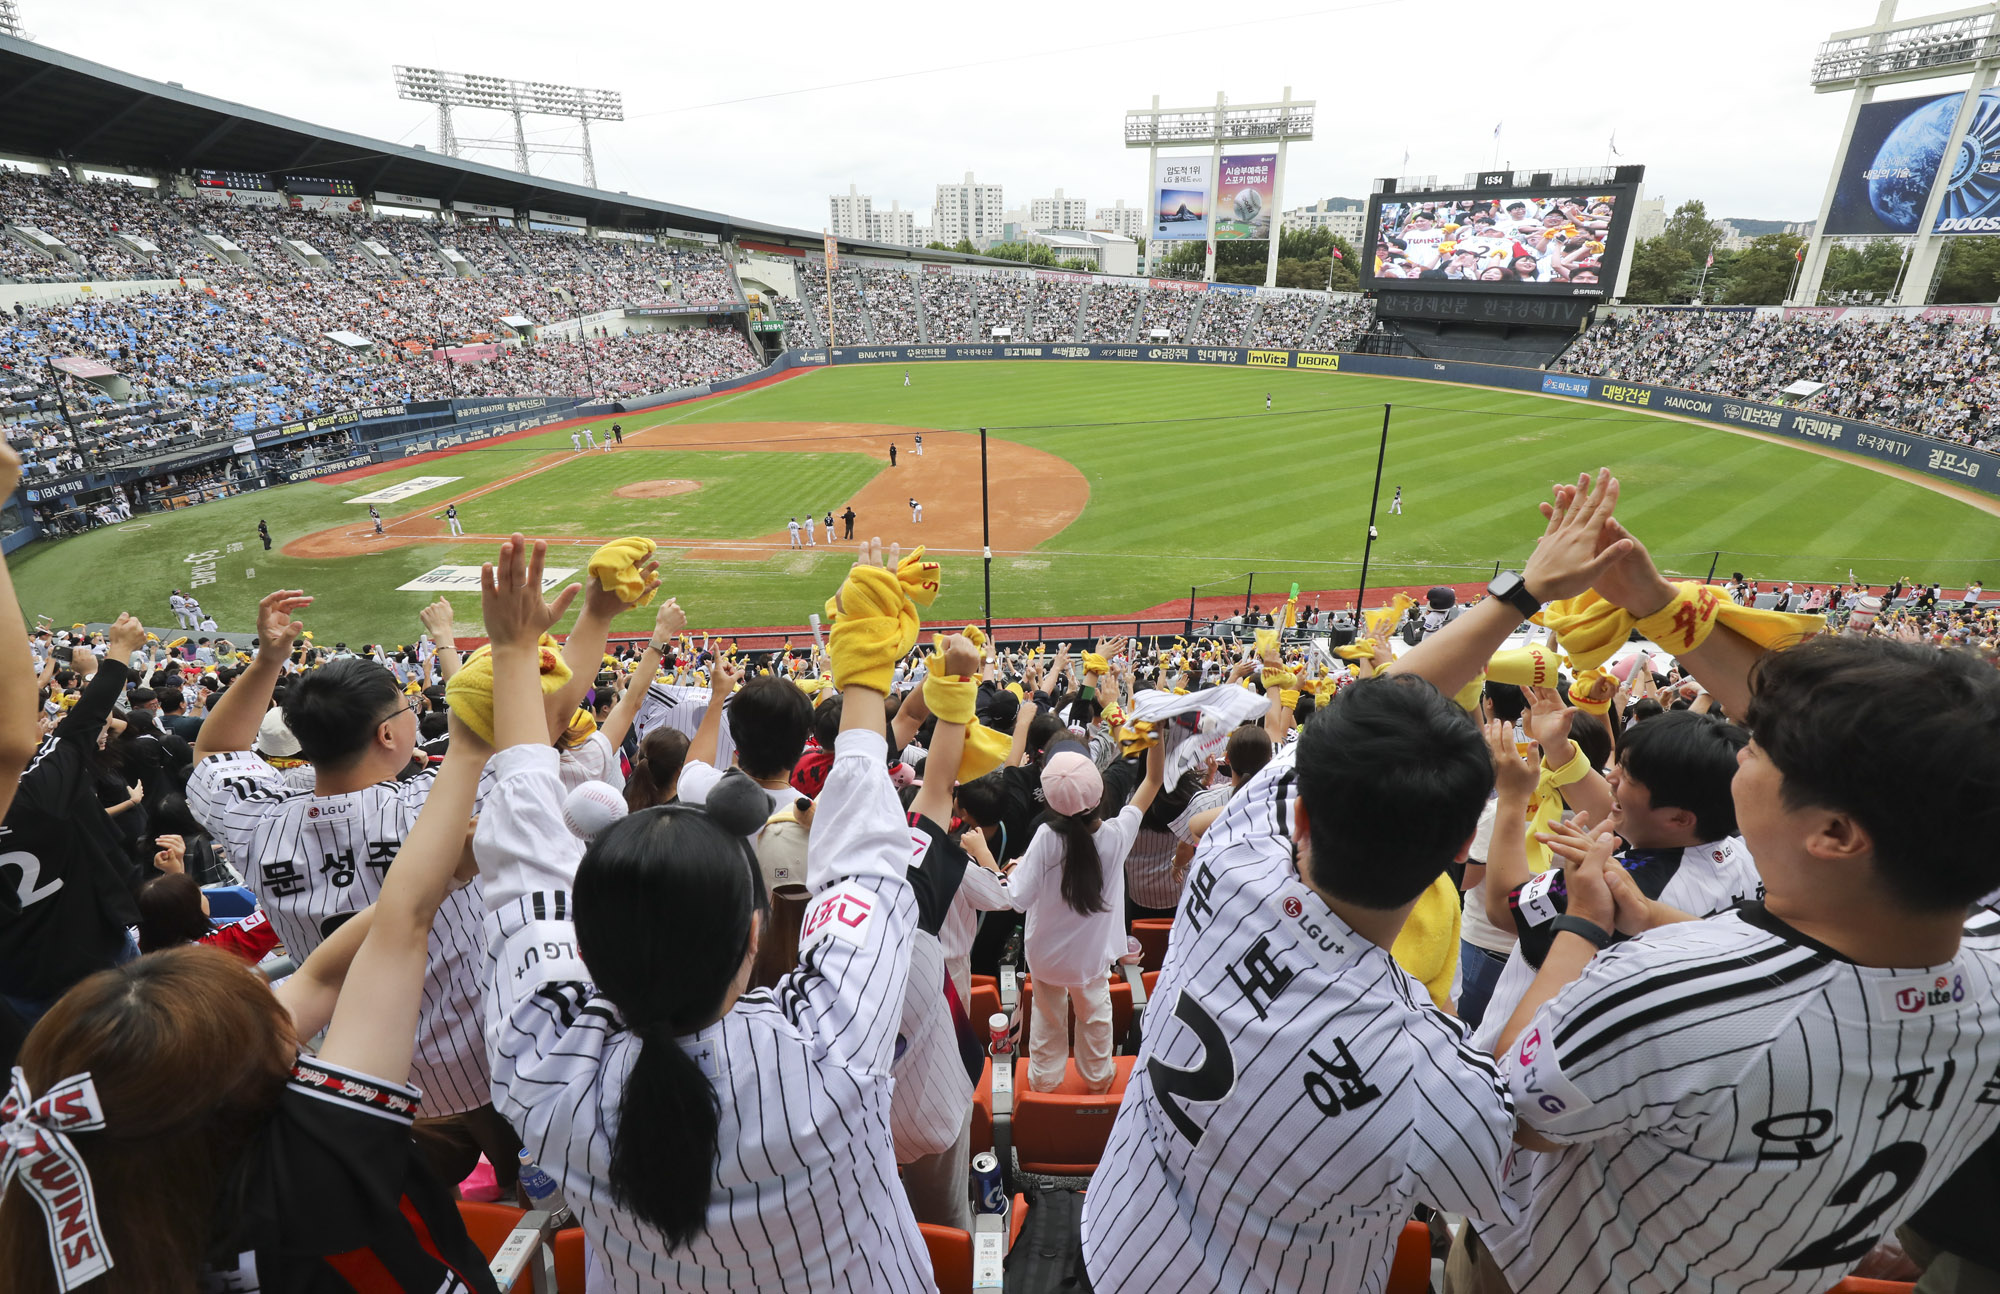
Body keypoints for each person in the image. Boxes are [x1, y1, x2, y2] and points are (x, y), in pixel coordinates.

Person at [1081, 467, 1641, 1294]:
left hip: (1117, 1245)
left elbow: (1377, 702)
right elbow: (1520, 1116)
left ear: (1304, 820)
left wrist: (1521, 592)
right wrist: (1582, 930)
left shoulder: (1237, 855)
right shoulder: (1417, 1060)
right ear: (1459, 846)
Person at [1448, 474, 2000, 1294]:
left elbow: (1498, 1119)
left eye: (1759, 748)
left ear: (1836, 834)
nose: (1742, 741)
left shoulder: (1666, 990)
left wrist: (1585, 929)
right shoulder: (1983, 952)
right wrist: (1656, 602)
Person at [473, 533, 940, 1287]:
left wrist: (513, 656)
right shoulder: (830, 1045)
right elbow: (866, 854)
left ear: (585, 955)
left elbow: (521, 854)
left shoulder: (541, 1064)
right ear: (753, 937)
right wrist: (861, 677)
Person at [0, 707, 501, 1293]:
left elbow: (317, 980)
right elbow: (370, 948)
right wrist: (456, 818)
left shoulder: (77, 1217)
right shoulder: (319, 1151)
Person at [188, 589, 523, 1195]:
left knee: (408, 1217)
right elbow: (505, 740)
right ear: (389, 736)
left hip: (365, 1078)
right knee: (532, 1201)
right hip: (490, 1065)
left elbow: (215, 749)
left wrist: (266, 661)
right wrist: (450, 644)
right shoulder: (434, 806)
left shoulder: (258, 822)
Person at [1006, 746, 1162, 1093]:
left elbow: (1016, 899)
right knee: (1095, 1019)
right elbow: (1153, 779)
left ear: (1049, 801)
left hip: (1045, 960)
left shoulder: (1045, 838)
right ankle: (1098, 1079)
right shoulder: (1117, 836)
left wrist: (999, 863)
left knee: (1047, 1020)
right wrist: (1157, 734)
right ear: (1100, 792)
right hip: (1091, 962)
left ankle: (1044, 1082)